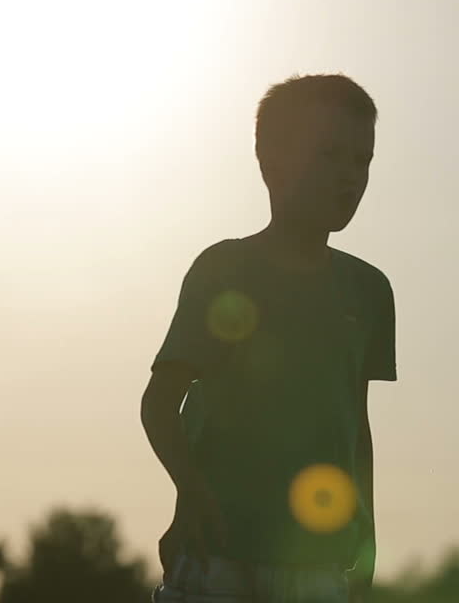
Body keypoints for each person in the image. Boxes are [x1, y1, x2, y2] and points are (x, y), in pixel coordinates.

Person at [141, 73, 396, 602]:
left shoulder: (369, 291)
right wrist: (192, 495)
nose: (350, 177)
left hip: (317, 564)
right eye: (329, 156)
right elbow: (159, 404)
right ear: (270, 161)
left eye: (361, 161)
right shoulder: (225, 270)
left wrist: (367, 533)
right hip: (217, 556)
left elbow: (356, 426)